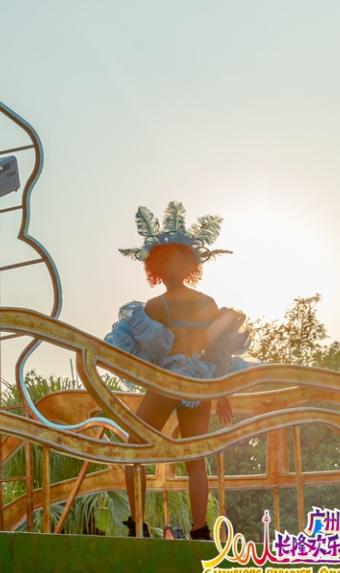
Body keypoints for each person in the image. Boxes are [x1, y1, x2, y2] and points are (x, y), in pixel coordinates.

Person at [105, 202, 254, 540]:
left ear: (155, 269)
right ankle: (200, 530)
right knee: (195, 458)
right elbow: (219, 353)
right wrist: (221, 394)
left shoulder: (155, 306)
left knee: (134, 448)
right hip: (199, 384)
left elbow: (143, 353)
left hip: (168, 383)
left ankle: (138, 524)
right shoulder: (208, 303)